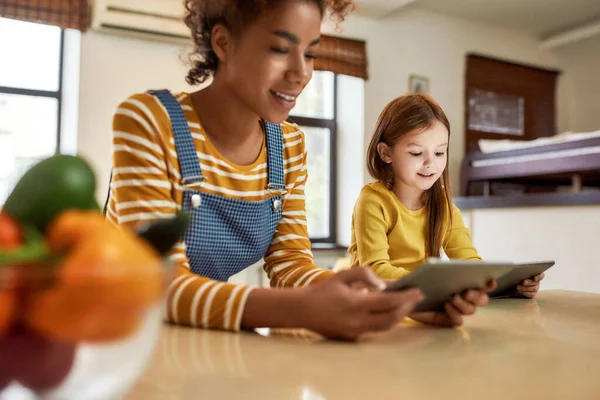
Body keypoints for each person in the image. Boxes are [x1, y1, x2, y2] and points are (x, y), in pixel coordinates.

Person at [104, 0, 425, 341]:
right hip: (114, 336)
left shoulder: (288, 146)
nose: (300, 73)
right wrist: (304, 309)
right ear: (223, 43)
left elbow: (291, 266)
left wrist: (400, 298)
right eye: (280, 49)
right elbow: (158, 285)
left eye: (310, 54)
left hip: (193, 335)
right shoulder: (150, 121)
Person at [348, 94, 543, 326]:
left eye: (440, 152)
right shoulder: (373, 200)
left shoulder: (443, 205)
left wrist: (507, 286)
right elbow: (375, 271)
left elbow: (470, 262)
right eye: (417, 153)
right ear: (386, 153)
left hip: (423, 305)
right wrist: (436, 285)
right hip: (374, 307)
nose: (431, 163)